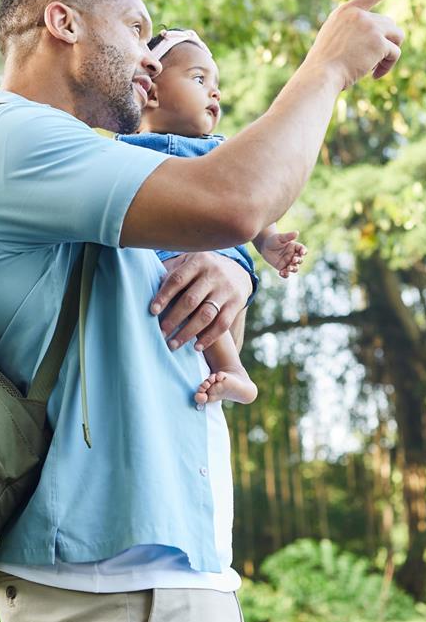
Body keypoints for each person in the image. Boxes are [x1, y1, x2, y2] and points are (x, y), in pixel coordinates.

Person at [0, 0, 405, 622]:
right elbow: (233, 200)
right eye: (137, 29)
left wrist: (237, 267)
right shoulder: (12, 140)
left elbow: (210, 236)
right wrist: (329, 65)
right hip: (123, 590)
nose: (152, 57)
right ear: (64, 23)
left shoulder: (76, 166)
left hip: (142, 582)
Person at [116, 27, 308, 407]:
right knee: (187, 290)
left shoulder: (220, 150)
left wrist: (269, 243)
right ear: (150, 92)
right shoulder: (123, 149)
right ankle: (228, 370)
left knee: (198, 286)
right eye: (199, 79)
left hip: (216, 252)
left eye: (216, 83)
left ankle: (235, 371)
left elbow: (247, 199)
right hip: (163, 263)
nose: (214, 92)